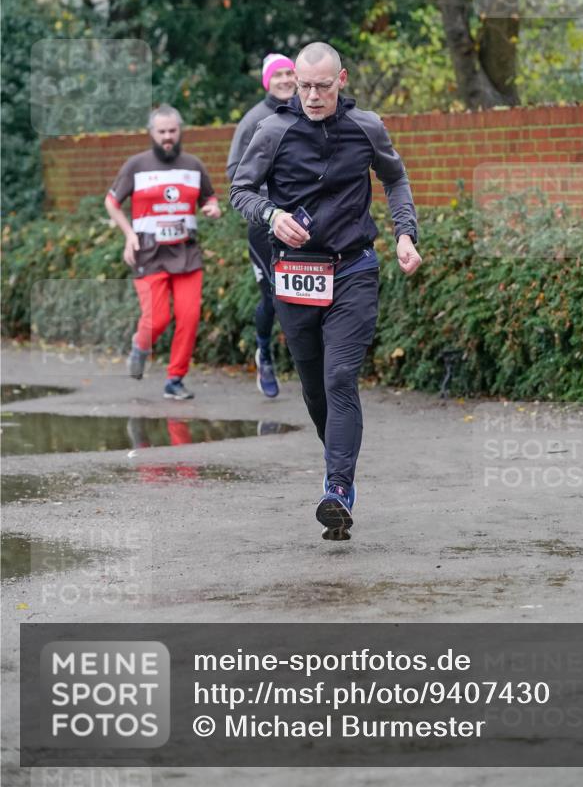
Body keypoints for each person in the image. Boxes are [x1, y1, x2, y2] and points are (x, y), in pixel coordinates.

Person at [230, 42, 421, 539]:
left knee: (340, 377)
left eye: (322, 85)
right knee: (315, 387)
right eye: (304, 85)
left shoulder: (367, 127)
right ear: (294, 82)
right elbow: (241, 191)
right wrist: (272, 215)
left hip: (354, 268)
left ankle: (338, 488)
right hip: (294, 274)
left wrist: (405, 234)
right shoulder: (272, 131)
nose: (312, 96)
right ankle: (334, 460)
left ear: (342, 80)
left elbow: (395, 179)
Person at [105, 104, 221, 400]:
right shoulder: (136, 165)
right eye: (162, 132)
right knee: (157, 320)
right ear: (152, 133)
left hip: (186, 255)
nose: (168, 137)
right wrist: (129, 235)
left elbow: (210, 196)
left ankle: (175, 379)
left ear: (179, 131)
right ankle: (140, 345)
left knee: (189, 317)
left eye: (172, 131)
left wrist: (213, 208)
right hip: (149, 255)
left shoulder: (193, 165)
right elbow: (111, 202)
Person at [227, 53, 297, 398]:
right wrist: (267, 205)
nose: (285, 79)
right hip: (265, 224)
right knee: (273, 295)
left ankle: (316, 365)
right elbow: (235, 174)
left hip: (306, 221)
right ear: (266, 81)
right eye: (278, 74)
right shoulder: (254, 120)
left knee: (311, 293)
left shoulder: (309, 112)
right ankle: (265, 352)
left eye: (290, 73)